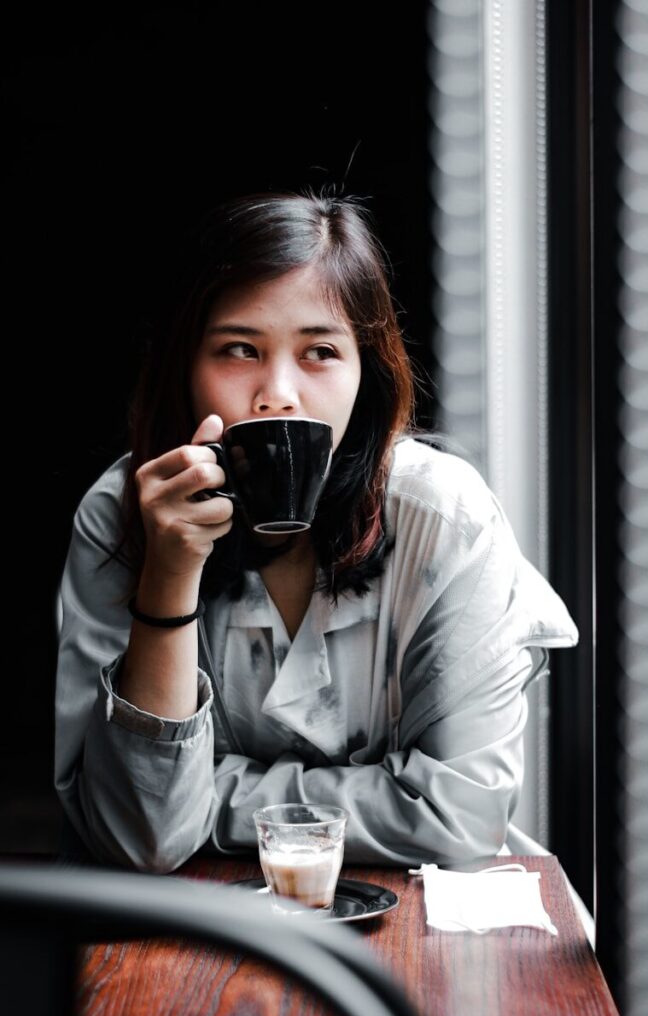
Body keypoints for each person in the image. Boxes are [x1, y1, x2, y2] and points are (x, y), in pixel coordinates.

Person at [55, 188, 579, 880]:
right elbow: (143, 837)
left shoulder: (444, 517)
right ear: (186, 369)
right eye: (238, 350)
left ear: (367, 372)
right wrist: (170, 573)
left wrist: (206, 793)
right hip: (203, 920)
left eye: (319, 353)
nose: (278, 392)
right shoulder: (122, 512)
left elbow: (459, 818)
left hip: (435, 916)